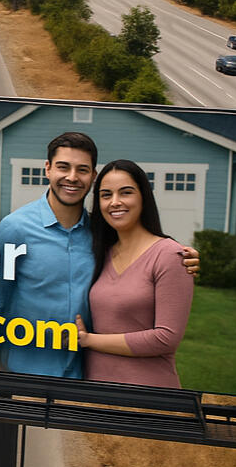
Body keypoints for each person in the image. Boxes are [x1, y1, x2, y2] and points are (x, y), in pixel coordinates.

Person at [0, 132, 198, 379]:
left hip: (82, 377)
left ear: (93, 176)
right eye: (63, 167)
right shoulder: (14, 228)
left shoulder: (101, 235)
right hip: (23, 374)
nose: (72, 177)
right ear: (47, 169)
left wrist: (185, 259)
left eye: (82, 170)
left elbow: (143, 255)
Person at [74, 160, 194, 388]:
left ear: (143, 197)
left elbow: (165, 338)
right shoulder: (101, 253)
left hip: (147, 396)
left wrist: (89, 340)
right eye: (106, 195)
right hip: (95, 394)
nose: (115, 202)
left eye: (126, 192)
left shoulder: (169, 254)